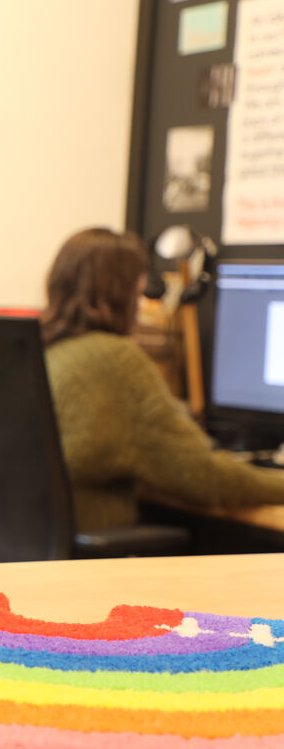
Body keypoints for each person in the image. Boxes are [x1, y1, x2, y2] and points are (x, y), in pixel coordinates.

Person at [41, 227, 284, 531]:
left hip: (24, 554)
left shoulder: (41, 348)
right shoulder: (112, 359)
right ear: (125, 293)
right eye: (140, 288)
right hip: (87, 564)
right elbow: (202, 475)